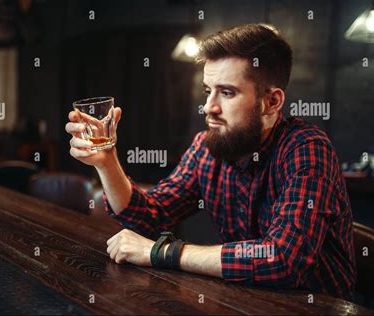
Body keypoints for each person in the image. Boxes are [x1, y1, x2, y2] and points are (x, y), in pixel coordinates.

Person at [65, 23, 356, 301]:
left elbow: (283, 260)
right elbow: (149, 216)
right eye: (208, 91)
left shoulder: (306, 148)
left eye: (227, 92)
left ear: (272, 102)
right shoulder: (206, 148)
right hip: (246, 301)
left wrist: (162, 252)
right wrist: (106, 162)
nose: (209, 107)